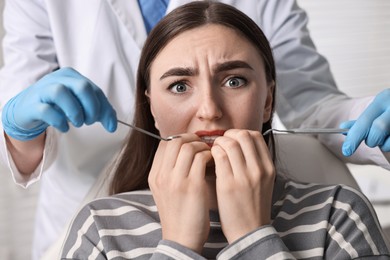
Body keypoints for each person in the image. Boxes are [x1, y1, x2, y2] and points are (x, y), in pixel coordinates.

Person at [0, 0, 389, 259]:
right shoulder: (99, 231)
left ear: (268, 100)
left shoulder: (338, 216)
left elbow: (311, 99)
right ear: (149, 105)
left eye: (234, 81)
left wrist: (252, 234)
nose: (209, 111)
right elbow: (22, 118)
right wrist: (18, 124)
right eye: (179, 86)